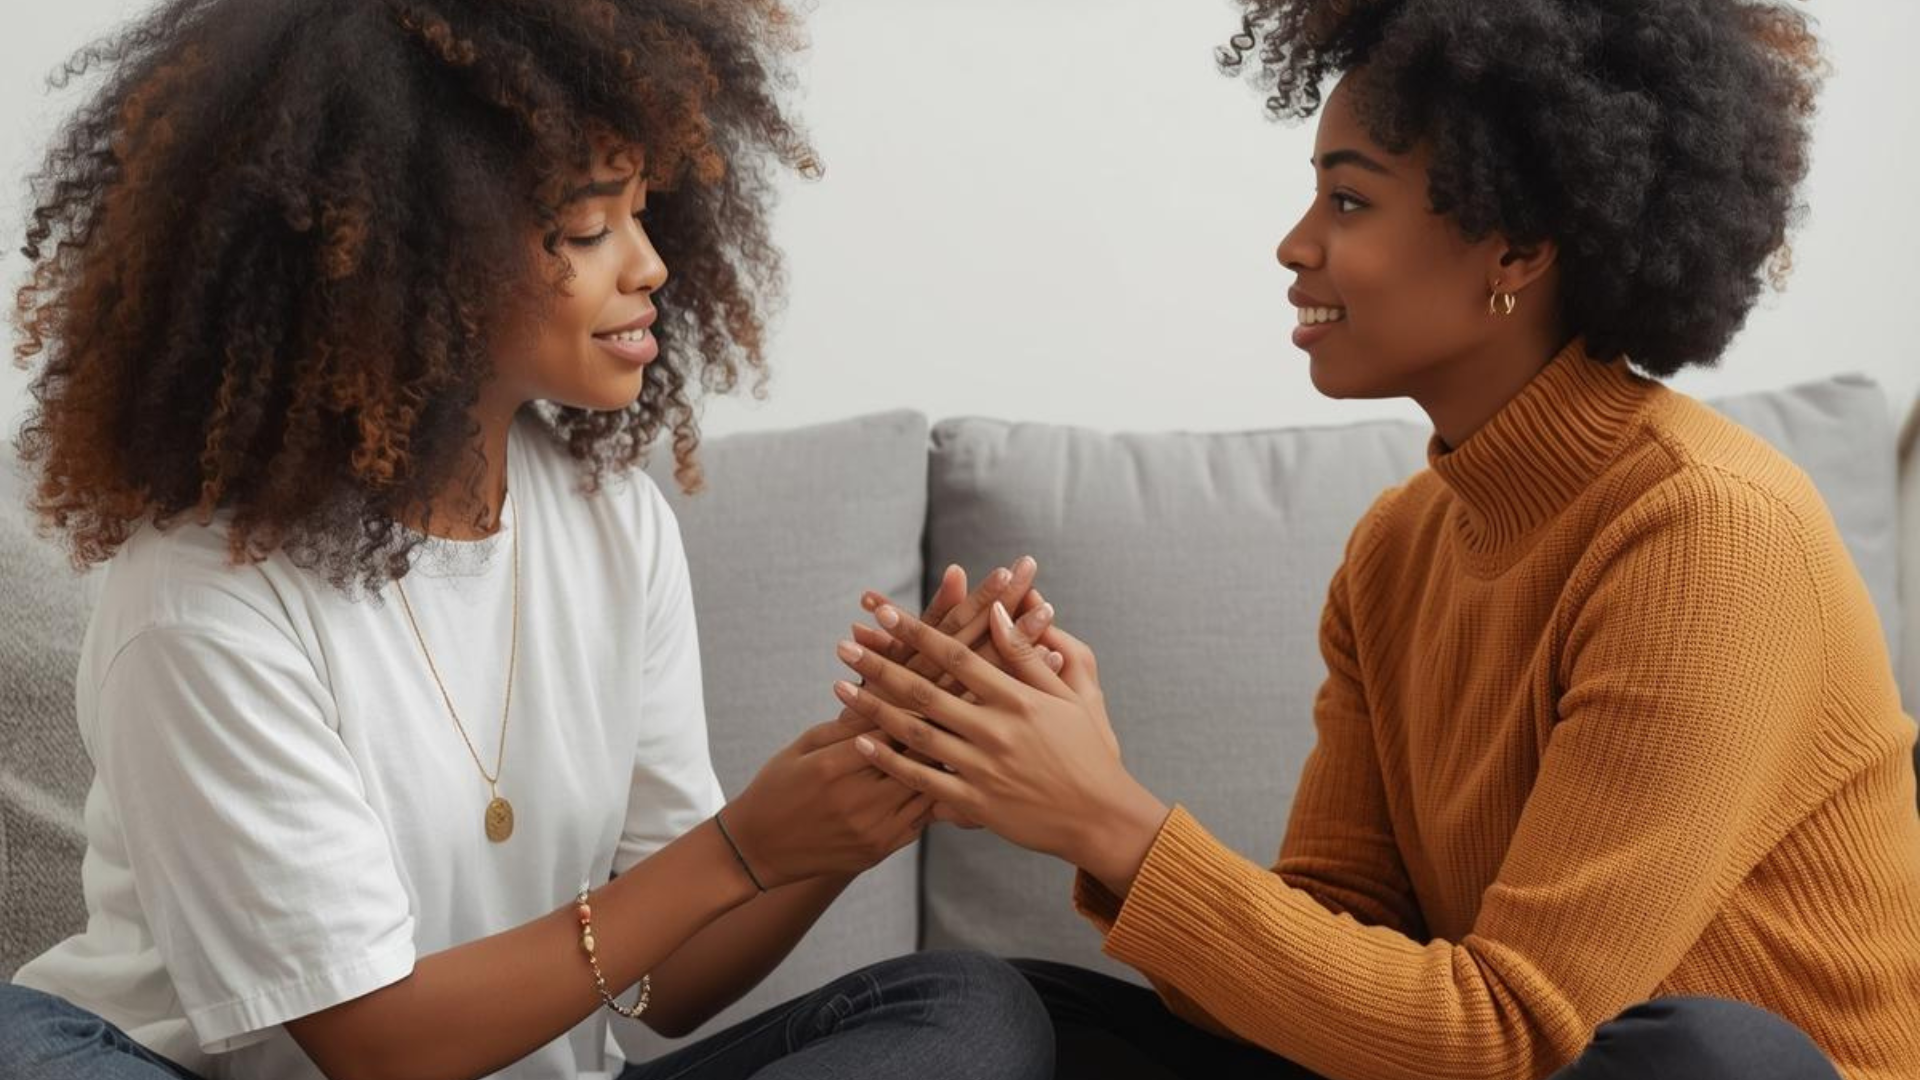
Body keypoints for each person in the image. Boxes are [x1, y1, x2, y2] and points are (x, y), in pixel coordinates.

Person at [829, 1, 1920, 1078]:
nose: (1294, 245)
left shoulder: (1707, 533)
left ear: (1520, 246)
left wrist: (1114, 822)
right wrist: (1085, 795)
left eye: (1348, 200)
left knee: (1704, 1056)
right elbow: (1331, 952)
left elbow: (1511, 1031)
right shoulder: (1397, 551)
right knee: (1013, 1010)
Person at [0, 1, 1055, 1078]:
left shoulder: (613, 520)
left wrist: (867, 790)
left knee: (965, 1008)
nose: (649, 264)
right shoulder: (203, 599)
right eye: (588, 228)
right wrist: (743, 847)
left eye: (644, 213)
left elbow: (666, 986)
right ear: (413, 256)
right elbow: (377, 1048)